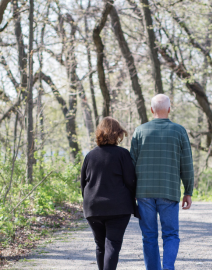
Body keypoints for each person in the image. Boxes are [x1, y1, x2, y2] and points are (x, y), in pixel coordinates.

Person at [130, 94, 194, 270]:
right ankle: (167, 268)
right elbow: (186, 163)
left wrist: (130, 192)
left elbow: (131, 165)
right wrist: (188, 191)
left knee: (149, 236)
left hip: (144, 193)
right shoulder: (179, 131)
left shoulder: (140, 131)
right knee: (171, 234)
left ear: (151, 110)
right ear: (169, 109)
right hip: (169, 190)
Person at [81, 117, 139, 270]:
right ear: (118, 133)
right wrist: (135, 201)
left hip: (93, 208)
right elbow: (130, 181)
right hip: (118, 208)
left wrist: (89, 201)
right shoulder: (123, 154)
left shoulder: (90, 156)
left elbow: (83, 184)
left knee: (100, 246)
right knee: (112, 245)